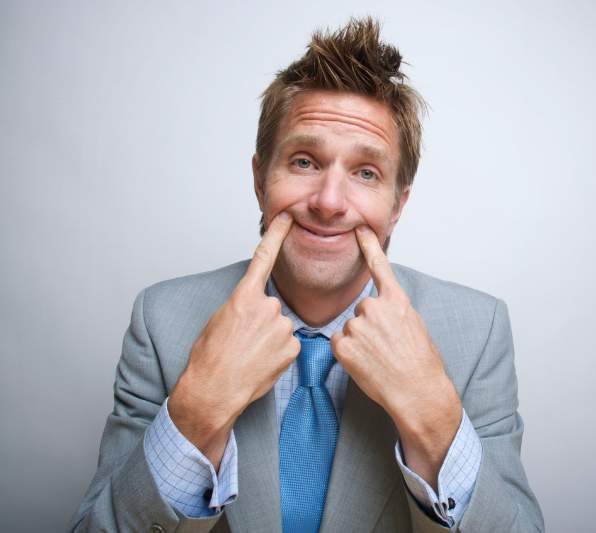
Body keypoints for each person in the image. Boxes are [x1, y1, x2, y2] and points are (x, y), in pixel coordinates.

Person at [70, 17, 544, 533]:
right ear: (259, 180)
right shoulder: (161, 322)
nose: (329, 202)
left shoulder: (479, 332)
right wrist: (198, 409)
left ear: (397, 205)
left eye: (366, 173)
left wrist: (432, 414)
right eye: (303, 161)